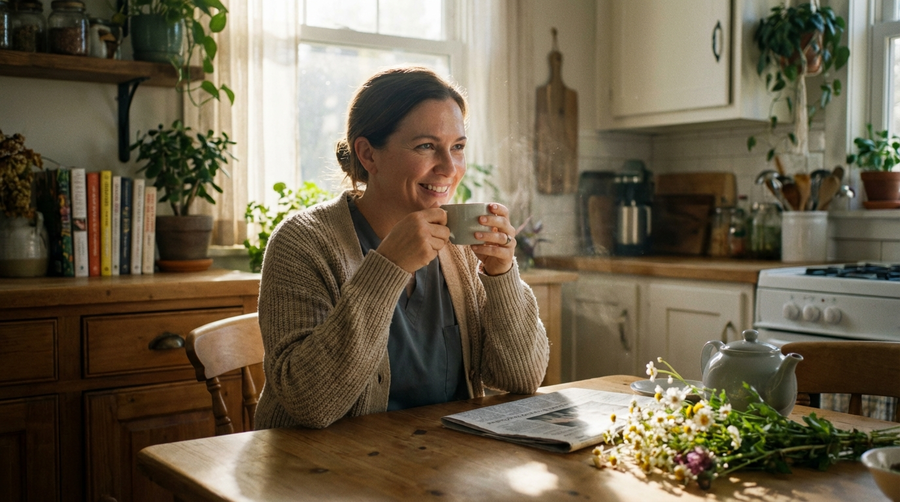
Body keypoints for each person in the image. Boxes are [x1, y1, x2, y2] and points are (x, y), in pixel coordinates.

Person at [255, 66, 549, 430]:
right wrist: (388, 267)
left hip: (439, 467)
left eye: (457, 147)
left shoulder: (458, 245)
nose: (449, 168)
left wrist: (501, 275)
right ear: (368, 154)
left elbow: (522, 379)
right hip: (323, 473)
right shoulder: (303, 242)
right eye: (426, 146)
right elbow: (309, 404)